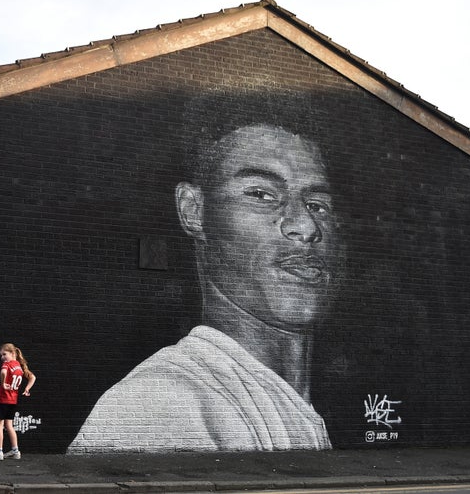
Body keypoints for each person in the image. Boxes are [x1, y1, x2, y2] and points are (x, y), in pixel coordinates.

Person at [68, 89, 340, 453]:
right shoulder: (161, 403)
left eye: (317, 204)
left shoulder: (291, 402)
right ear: (193, 210)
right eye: (261, 194)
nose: (305, 226)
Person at [0, 343, 36, 460]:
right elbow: (33, 377)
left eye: (4, 354)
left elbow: (3, 373)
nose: (2, 357)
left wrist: (3, 383)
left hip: (3, 398)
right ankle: (16, 451)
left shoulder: (7, 364)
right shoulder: (19, 366)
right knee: (9, 425)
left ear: (13, 353)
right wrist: (27, 389)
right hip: (13, 400)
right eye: (1, 355)